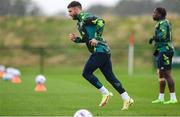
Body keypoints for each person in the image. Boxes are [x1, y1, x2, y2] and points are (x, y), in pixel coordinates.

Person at [67, 1, 134, 110]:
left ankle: (105, 93)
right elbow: (86, 39)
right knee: (110, 77)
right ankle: (127, 99)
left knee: (86, 73)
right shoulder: (79, 23)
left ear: (76, 9)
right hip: (103, 51)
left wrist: (97, 38)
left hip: (100, 51)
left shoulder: (85, 17)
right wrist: (76, 39)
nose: (69, 14)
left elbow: (101, 22)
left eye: (70, 11)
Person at [149, 7, 178, 104]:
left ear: (160, 14)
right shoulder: (161, 23)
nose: (153, 14)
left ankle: (173, 98)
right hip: (162, 50)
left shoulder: (164, 23)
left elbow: (163, 35)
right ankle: (161, 98)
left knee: (166, 74)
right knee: (161, 74)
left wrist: (154, 37)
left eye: (155, 13)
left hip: (165, 50)